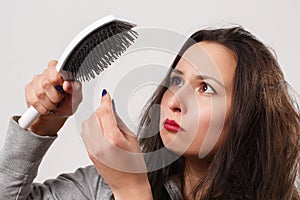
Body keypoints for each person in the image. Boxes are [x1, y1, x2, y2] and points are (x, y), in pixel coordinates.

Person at [0, 26, 299, 200]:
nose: (174, 101)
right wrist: (43, 124)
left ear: (247, 116)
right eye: (176, 80)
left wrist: (132, 191)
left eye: (205, 88)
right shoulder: (105, 187)